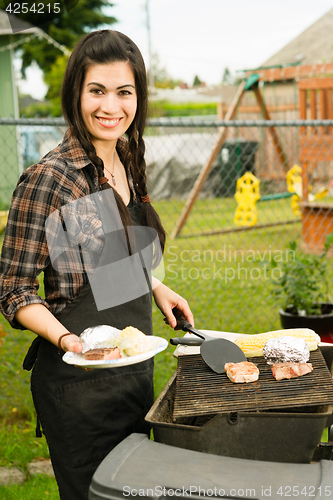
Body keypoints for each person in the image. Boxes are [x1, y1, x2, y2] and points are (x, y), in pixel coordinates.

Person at [0, 30, 193, 500]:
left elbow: (107, 250)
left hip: (133, 375)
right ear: (76, 95)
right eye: (97, 91)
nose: (112, 106)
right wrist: (70, 340)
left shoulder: (127, 157)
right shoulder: (49, 179)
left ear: (138, 97)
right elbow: (13, 287)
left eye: (124, 92)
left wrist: (155, 288)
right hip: (79, 387)